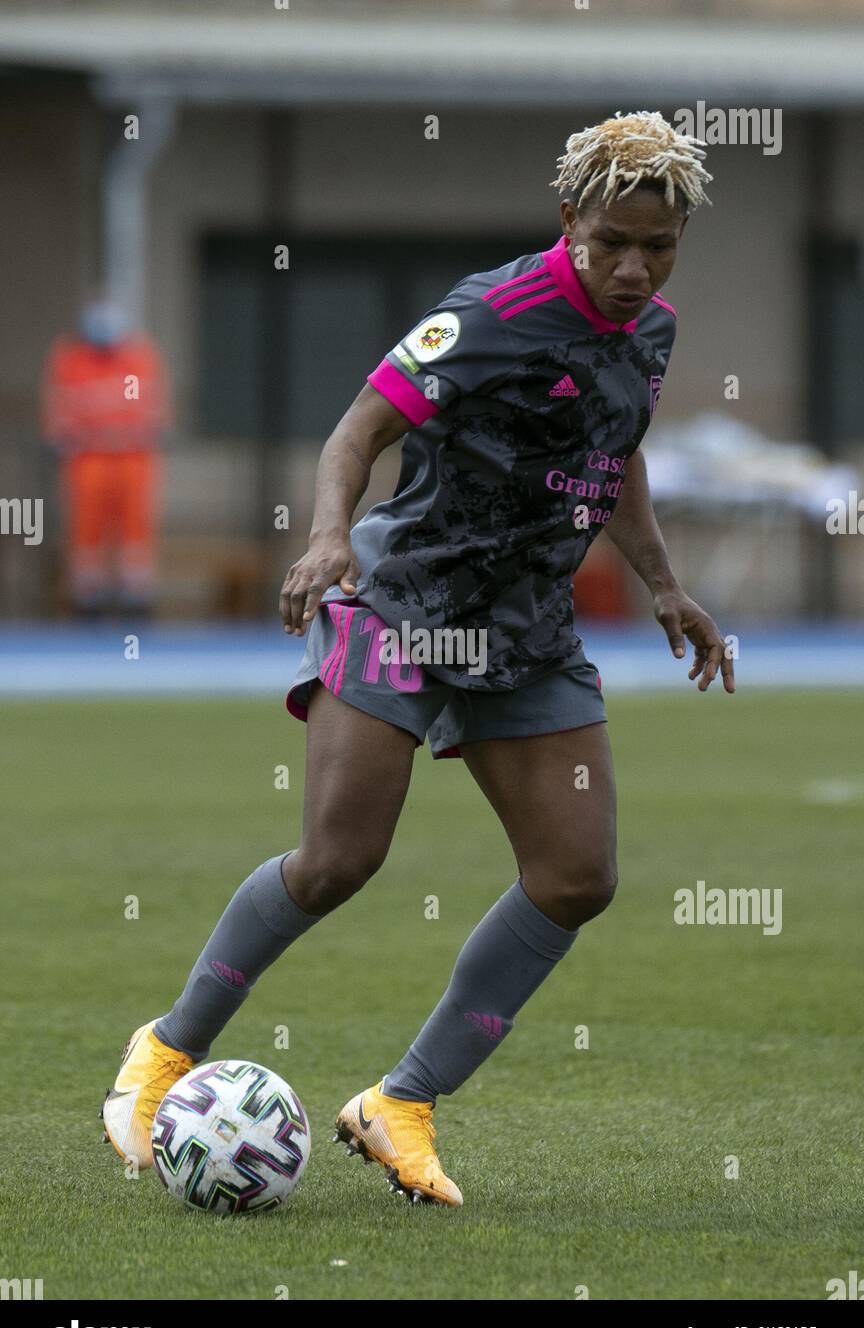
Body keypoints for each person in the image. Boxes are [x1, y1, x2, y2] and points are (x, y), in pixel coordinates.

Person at [102, 112, 734, 1207]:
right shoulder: (492, 310)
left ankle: (400, 1103)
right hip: (400, 603)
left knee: (577, 876)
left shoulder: (654, 333)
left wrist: (663, 582)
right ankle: (164, 1050)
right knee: (339, 859)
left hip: (526, 630)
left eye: (658, 246)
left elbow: (611, 451)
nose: (634, 268)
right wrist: (324, 535)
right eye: (612, 242)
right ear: (567, 221)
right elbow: (356, 431)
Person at [42, 298, 169, 617]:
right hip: (89, 461)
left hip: (132, 460)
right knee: (86, 526)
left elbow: (154, 414)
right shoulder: (71, 362)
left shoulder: (138, 359)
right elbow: (60, 418)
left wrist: (123, 434)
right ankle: (88, 596)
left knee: (135, 526)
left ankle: (135, 595)